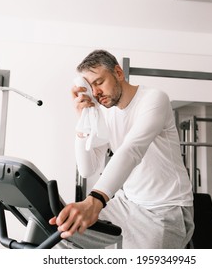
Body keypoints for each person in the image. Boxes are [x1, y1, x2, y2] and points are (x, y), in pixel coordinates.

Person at [49, 49, 194, 249]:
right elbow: (87, 168)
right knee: (63, 240)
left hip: (165, 208)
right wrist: (82, 119)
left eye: (99, 82)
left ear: (118, 73)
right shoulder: (106, 113)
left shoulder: (154, 99)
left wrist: (94, 201)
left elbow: (132, 150)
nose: (96, 92)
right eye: (91, 87)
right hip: (127, 203)